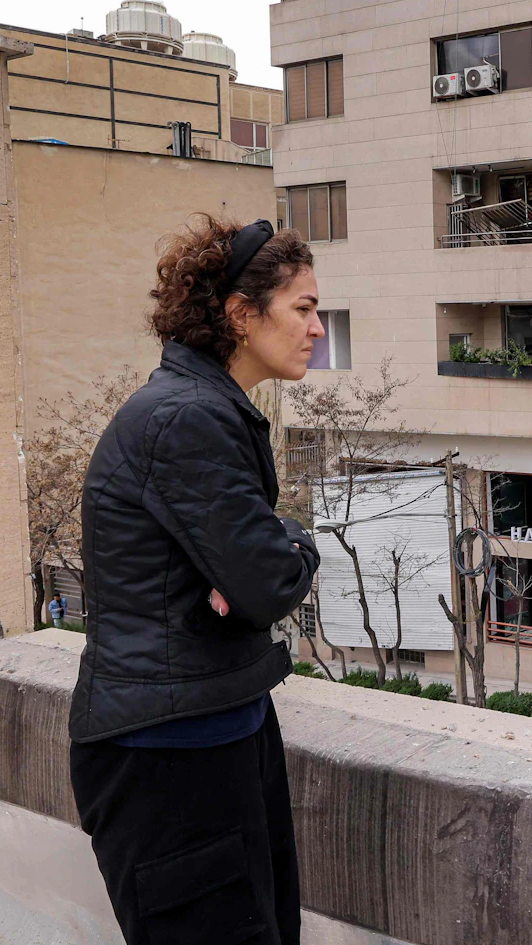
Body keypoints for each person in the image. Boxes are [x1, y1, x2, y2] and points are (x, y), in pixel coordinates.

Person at [68, 216, 323, 945]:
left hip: (218, 731)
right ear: (242, 315)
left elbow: (248, 579)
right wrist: (294, 542)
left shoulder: (204, 409)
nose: (317, 329)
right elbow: (271, 582)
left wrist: (253, 568)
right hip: (167, 760)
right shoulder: (185, 419)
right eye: (302, 308)